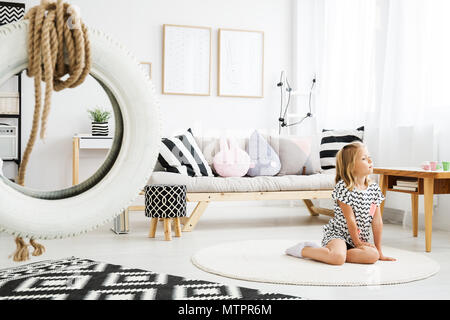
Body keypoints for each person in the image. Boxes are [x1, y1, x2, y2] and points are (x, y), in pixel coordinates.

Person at [286, 141, 396, 265]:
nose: (370, 161)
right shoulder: (344, 188)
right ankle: (305, 250)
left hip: (359, 240)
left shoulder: (374, 189)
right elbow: (350, 219)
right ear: (351, 166)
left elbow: (377, 222)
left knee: (373, 256)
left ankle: (333, 253)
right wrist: (358, 243)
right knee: (337, 259)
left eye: (369, 157)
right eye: (364, 158)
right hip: (339, 235)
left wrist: (379, 250)